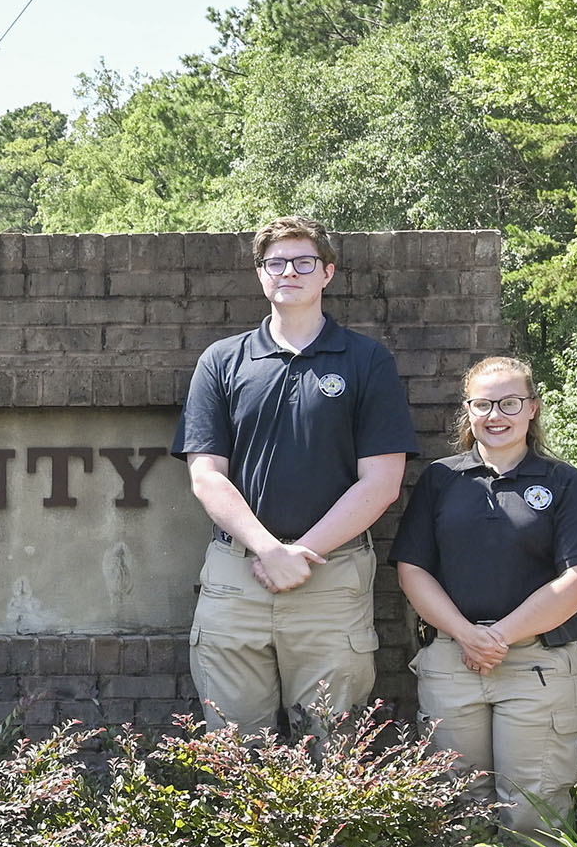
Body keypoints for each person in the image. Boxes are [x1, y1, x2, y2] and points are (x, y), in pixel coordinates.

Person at [172, 216, 420, 737]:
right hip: (237, 575)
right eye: (276, 263)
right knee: (233, 747)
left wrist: (301, 553)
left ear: (327, 272)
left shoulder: (366, 361)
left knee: (332, 746)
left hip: (332, 577)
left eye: (304, 262)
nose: (290, 272)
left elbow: (381, 482)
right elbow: (207, 475)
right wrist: (269, 552)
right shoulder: (222, 361)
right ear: (260, 275)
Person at [392, 355, 577, 847]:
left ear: (532, 408)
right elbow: (413, 569)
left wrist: (500, 637)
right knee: (456, 802)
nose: (497, 414)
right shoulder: (441, 480)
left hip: (537, 668)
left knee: (533, 806)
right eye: (484, 403)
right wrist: (467, 635)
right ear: (468, 411)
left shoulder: (564, 482)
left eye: (511, 402)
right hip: (452, 662)